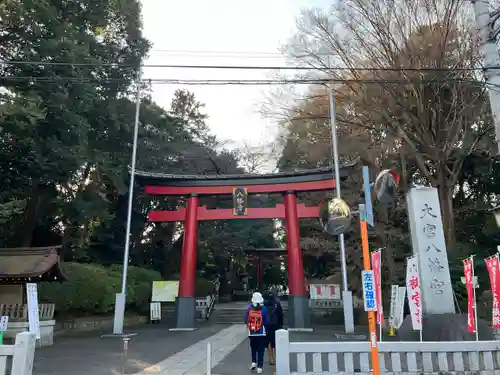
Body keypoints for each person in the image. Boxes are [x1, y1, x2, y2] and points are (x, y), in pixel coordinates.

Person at [245, 292, 268, 373]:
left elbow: (246, 321)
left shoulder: (249, 308)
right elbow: (266, 321)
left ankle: (253, 362)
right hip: (261, 332)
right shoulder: (264, 309)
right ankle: (260, 367)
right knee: (261, 350)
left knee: (253, 348)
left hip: (252, 332)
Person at [263, 291, 284, 365]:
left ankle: (271, 359)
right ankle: (277, 358)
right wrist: (281, 324)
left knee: (268, 343)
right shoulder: (277, 304)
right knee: (276, 342)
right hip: (276, 325)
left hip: (266, 325)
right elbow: (280, 315)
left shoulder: (263, 304)